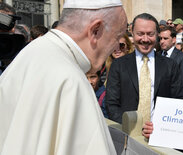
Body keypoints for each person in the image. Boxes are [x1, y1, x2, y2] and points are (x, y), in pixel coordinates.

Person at [0, 0, 127, 154]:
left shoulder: (31, 51)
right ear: (95, 30)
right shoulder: (72, 81)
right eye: (117, 37)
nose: (116, 47)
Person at [105, 13, 183, 124]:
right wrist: (129, 127)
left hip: (159, 133)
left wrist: (161, 127)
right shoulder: (119, 65)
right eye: (140, 34)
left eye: (150, 34)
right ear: (132, 32)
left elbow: (178, 101)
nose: (145, 39)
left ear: (157, 34)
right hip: (127, 134)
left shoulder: (170, 66)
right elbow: (111, 104)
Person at [159, 26, 183, 99]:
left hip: (174, 102)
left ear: (174, 40)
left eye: (165, 38)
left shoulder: (182, 58)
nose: (162, 41)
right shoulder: (157, 55)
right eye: (160, 38)